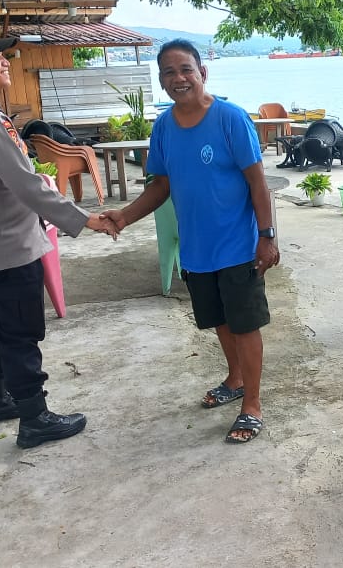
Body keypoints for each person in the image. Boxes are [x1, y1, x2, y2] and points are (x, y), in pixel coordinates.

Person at [0, 23, 118, 448]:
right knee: (20, 331)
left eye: (3, 55)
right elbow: (26, 184)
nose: (4, 62)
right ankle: (34, 417)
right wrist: (85, 219)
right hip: (6, 244)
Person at [101, 40, 279, 444]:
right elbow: (160, 185)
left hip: (238, 246)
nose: (178, 78)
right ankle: (234, 379)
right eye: (169, 72)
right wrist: (124, 217)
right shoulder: (163, 127)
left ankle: (252, 405)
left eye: (186, 69)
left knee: (245, 325)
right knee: (219, 320)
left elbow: (258, 183)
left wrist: (266, 237)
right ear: (162, 80)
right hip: (196, 249)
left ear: (203, 73)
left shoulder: (230, 118)